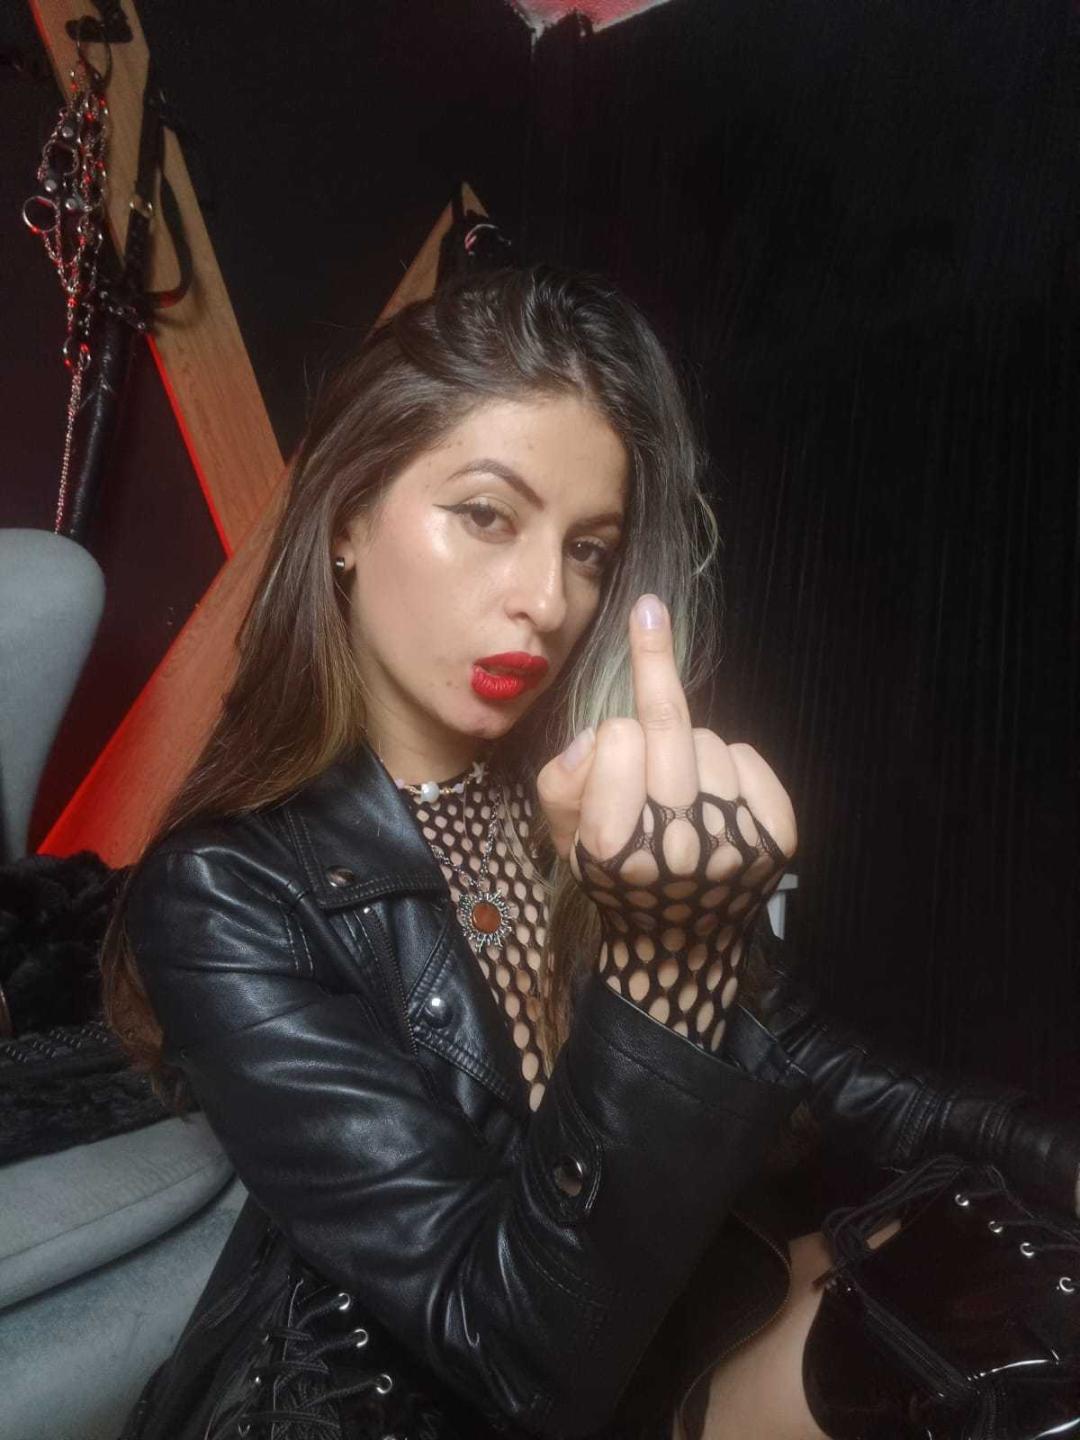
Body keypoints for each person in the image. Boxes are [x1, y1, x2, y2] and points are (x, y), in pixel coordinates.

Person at [102, 263, 1080, 1440]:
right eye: (486, 515)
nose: (547, 601)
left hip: (673, 1326)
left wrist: (1049, 1151)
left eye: (589, 550)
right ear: (348, 518)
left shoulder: (575, 801)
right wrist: (663, 958)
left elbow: (810, 1055)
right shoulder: (223, 893)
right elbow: (512, 1358)